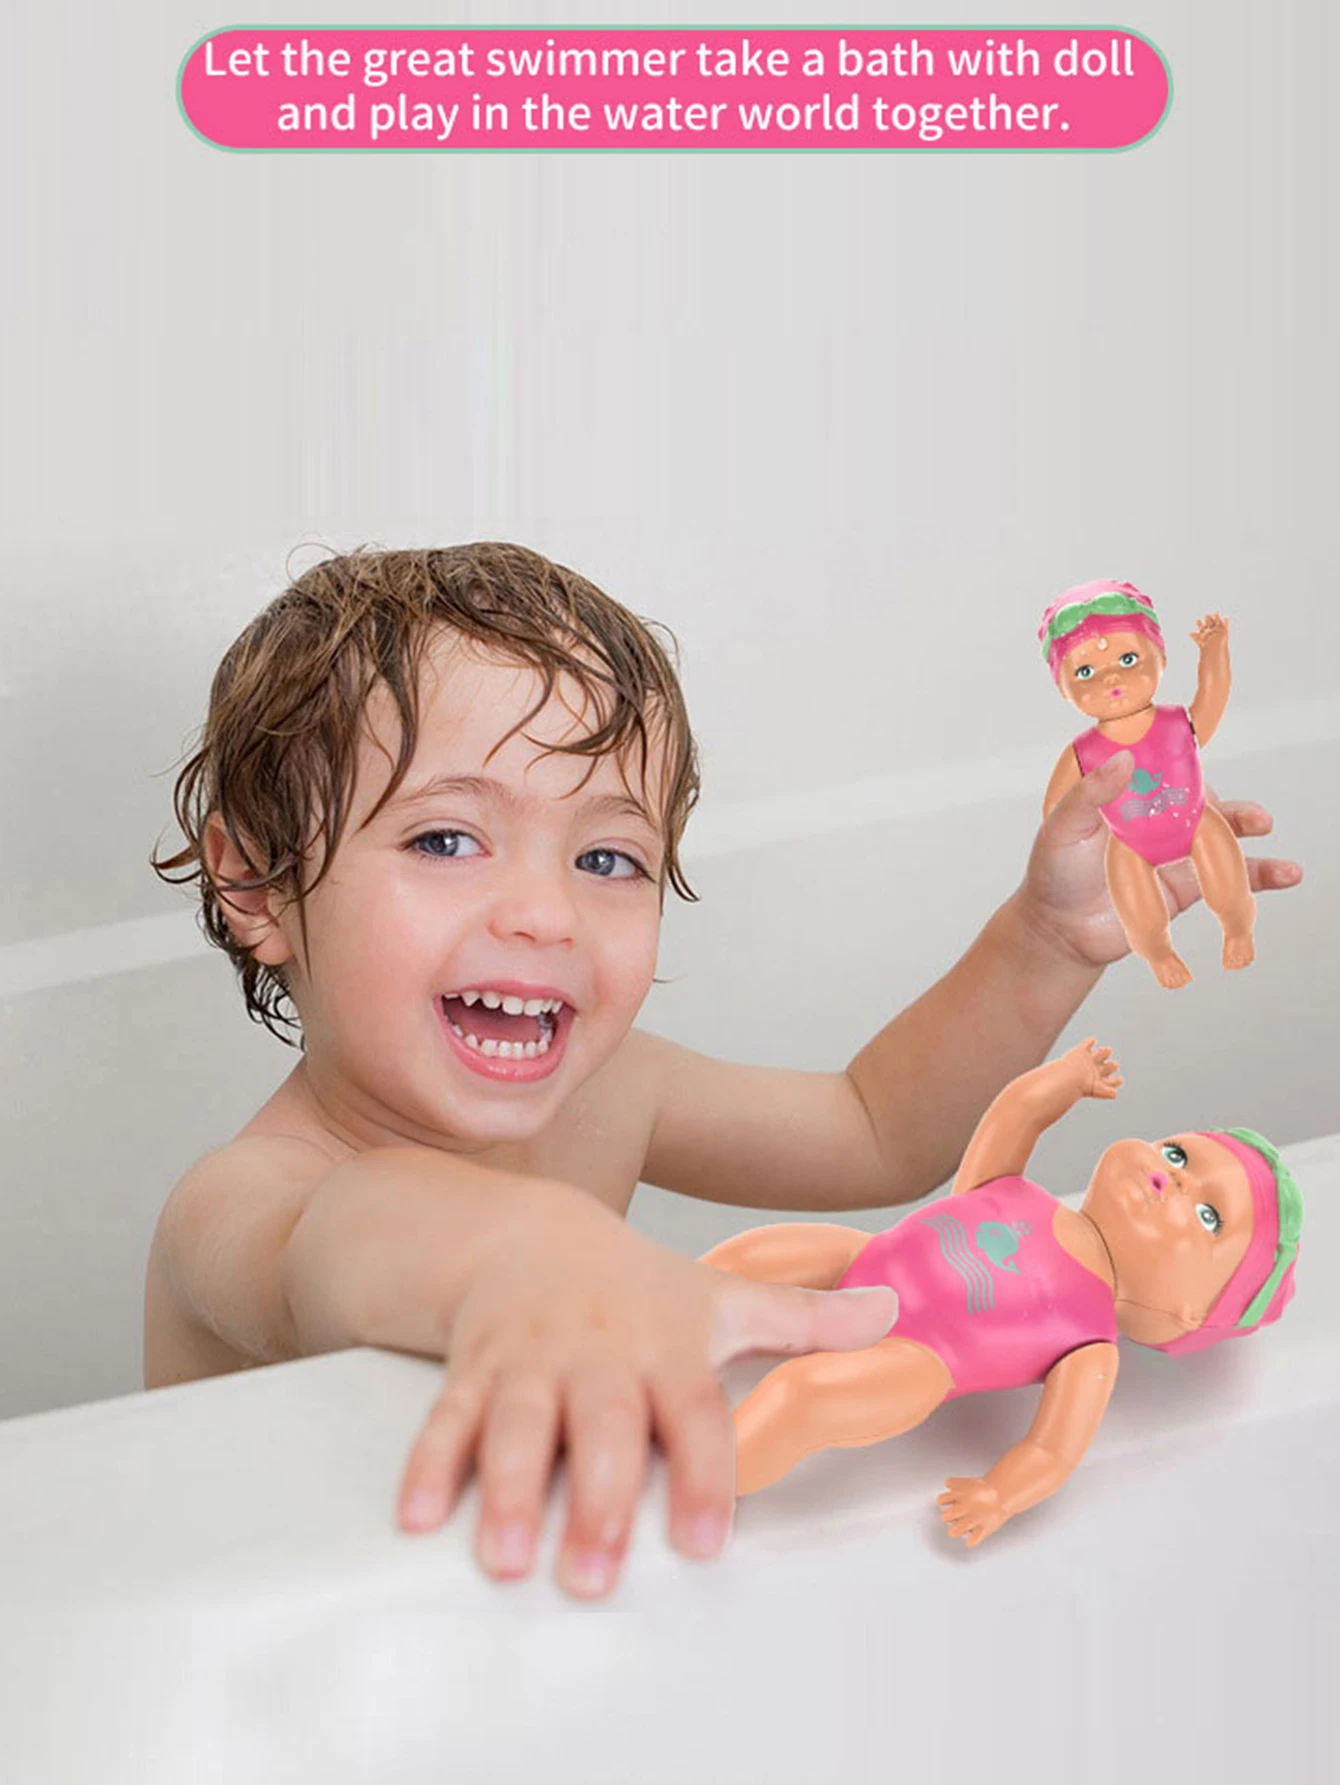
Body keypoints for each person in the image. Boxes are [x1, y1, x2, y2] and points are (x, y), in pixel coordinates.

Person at [145, 543, 1299, 1598]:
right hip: (253, 1649)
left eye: (608, 857)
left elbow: (876, 1130)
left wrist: (1043, 942)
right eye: (445, 840)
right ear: (256, 887)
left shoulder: (606, 1094)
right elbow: (343, 1240)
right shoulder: (239, 1202)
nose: (547, 914)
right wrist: (524, 1253)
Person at [706, 1039, 1301, 1544]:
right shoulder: (1013, 1189)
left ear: (1191, 1313)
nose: (1171, 1177)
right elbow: (1014, 1116)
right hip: (861, 1259)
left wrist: (999, 1496)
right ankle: (668, 1332)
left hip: (915, 1358)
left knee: (803, 1394)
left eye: (1208, 1216)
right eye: (1177, 1154)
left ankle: (706, 1476)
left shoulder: (1091, 1344)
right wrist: (1063, 1081)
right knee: (750, 1259)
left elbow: (1052, 1450)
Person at [1041, 579, 1254, 987]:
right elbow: (1056, 809)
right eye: (1085, 671)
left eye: (1127, 659)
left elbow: (1212, 697)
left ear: (1161, 657)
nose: (1109, 679)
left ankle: (1237, 929)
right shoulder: (1083, 752)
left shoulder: (1176, 723)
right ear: (1063, 689)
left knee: (1228, 885)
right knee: (1141, 916)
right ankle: (1158, 954)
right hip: (1129, 844)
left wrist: (1214, 652)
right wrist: (1082, 837)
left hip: (1196, 822)